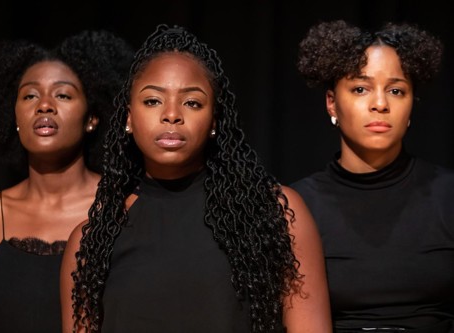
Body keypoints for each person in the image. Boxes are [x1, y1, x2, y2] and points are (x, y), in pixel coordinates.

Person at [60, 23, 331, 333]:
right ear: (129, 118)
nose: (172, 114)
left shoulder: (276, 214)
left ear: (214, 119)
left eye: (192, 102)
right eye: (152, 101)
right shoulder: (90, 242)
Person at [0, 30, 133, 333]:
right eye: (30, 95)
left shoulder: (123, 207)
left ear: (92, 117)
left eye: (62, 94)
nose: (45, 105)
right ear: (14, 116)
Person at [291, 19, 454, 332]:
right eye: (360, 88)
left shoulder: (447, 196)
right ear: (331, 103)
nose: (380, 104)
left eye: (396, 90)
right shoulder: (298, 207)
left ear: (411, 106)